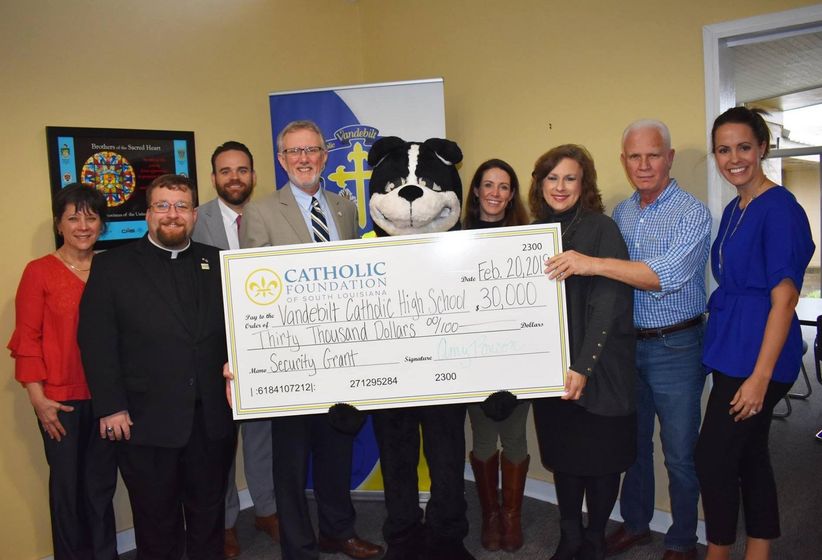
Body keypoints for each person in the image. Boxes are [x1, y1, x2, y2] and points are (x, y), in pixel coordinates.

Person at [547, 120, 711, 560]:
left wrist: (593, 263)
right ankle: (637, 524)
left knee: (678, 452)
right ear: (623, 162)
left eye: (653, 155)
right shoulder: (621, 214)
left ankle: (681, 537)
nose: (643, 165)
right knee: (630, 448)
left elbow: (667, 277)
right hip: (622, 351)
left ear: (670, 158)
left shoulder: (693, 213)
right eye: (634, 157)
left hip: (675, 346)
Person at [240, 120, 382, 560]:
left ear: (325, 156)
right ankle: (299, 548)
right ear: (281, 160)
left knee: (335, 449)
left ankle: (338, 532)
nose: (304, 159)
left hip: (339, 357)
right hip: (291, 362)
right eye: (294, 152)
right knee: (290, 460)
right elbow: (255, 291)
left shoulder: (344, 207)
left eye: (312, 150)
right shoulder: (261, 213)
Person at [79, 174, 236, 560]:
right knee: (156, 522)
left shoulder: (218, 263)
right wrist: (111, 406)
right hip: (145, 423)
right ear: (148, 214)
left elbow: (240, 330)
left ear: (195, 215)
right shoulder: (112, 267)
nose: (172, 214)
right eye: (163, 206)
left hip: (211, 420)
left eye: (182, 206)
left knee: (208, 517)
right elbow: (97, 342)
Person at [696, 106, 814, 560]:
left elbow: (784, 299)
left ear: (762, 147)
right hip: (733, 345)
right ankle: (759, 550)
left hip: (760, 353)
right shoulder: (734, 207)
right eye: (723, 150)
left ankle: (719, 551)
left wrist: (761, 377)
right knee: (749, 454)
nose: (733, 158)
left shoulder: (780, 208)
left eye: (744, 147)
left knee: (713, 457)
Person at [530, 145, 636, 560]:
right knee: (565, 454)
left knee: (603, 458)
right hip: (552, 366)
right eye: (551, 178)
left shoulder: (601, 229)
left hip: (601, 364)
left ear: (584, 184)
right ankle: (569, 536)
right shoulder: (532, 231)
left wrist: (583, 365)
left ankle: (594, 539)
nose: (560, 186)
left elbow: (607, 302)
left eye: (570, 178)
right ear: (540, 183)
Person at [8, 183, 118, 560]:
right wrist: (38, 399)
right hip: (60, 403)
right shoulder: (38, 272)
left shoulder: (113, 268)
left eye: (91, 217)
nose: (83, 225)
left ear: (102, 224)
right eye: (73, 217)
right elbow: (27, 338)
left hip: (108, 399)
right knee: (67, 493)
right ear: (59, 224)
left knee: (101, 490)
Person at [192, 140, 279, 559]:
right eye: (225, 171)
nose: (234, 178)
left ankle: (267, 508)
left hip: (264, 343)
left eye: (242, 170)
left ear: (253, 175)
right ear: (214, 179)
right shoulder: (195, 220)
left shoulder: (269, 215)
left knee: (263, 434)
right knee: (221, 439)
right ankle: (226, 521)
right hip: (213, 348)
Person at [462, 158, 531, 552]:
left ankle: (512, 516)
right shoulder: (453, 238)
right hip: (472, 357)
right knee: (485, 436)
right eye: (488, 184)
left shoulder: (529, 238)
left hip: (519, 355)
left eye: (504, 186)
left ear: (511, 194)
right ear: (475, 190)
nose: (495, 193)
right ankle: (490, 515)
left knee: (516, 437)